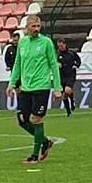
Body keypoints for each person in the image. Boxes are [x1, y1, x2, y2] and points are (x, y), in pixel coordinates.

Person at [6, 14, 62, 165]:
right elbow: (17, 64)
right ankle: (45, 141)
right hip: (25, 87)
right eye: (34, 26)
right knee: (22, 120)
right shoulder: (22, 43)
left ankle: (34, 156)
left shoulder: (46, 42)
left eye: (38, 26)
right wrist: (11, 83)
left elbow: (54, 65)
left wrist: (57, 88)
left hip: (41, 87)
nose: (37, 29)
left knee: (37, 120)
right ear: (27, 27)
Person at [56, 38, 82, 117]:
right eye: (58, 46)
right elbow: (54, 63)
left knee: (67, 91)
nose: (60, 48)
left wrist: (76, 65)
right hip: (61, 76)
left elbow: (78, 60)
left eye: (61, 46)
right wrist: (57, 64)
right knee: (64, 95)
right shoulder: (57, 55)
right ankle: (68, 112)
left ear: (64, 44)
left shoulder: (71, 53)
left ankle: (71, 101)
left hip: (70, 75)